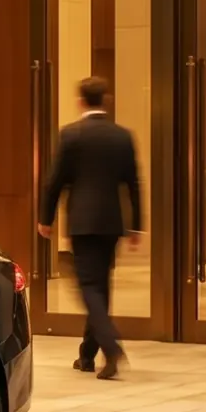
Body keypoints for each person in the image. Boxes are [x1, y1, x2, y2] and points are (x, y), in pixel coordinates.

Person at [38, 76, 142, 380]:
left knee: (89, 287)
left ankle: (111, 348)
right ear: (105, 100)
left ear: (81, 101)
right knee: (100, 284)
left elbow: (54, 180)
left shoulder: (71, 135)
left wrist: (46, 217)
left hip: (82, 222)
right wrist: (136, 226)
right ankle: (87, 355)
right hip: (111, 222)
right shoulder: (122, 136)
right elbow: (133, 183)